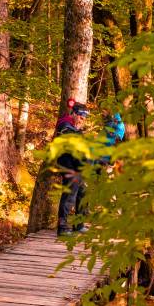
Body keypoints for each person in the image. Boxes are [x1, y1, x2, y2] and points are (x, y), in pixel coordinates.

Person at [54, 100, 91, 236]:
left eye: (85, 118)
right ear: (74, 114)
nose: (83, 120)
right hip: (67, 164)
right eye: (81, 116)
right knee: (70, 194)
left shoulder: (75, 127)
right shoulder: (65, 124)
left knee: (83, 192)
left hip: (77, 165)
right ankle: (62, 227)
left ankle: (78, 224)